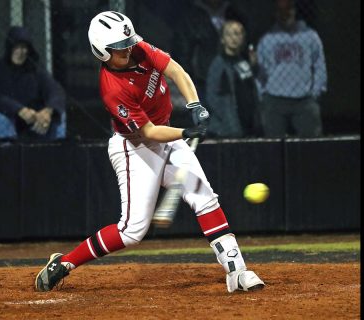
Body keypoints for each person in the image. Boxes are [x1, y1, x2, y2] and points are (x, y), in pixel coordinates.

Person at [34, 11, 264, 294]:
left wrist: (194, 106)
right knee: (132, 232)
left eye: (128, 43)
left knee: (203, 196)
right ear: (102, 53)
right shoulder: (112, 88)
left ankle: (237, 270)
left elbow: (175, 70)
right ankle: (65, 263)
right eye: (120, 49)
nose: (128, 50)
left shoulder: (139, 49)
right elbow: (150, 133)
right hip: (135, 148)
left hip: (166, 135)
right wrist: (185, 133)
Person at [255, 0, 327, 137]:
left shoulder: (310, 36)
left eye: (288, 10)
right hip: (274, 98)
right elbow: (260, 71)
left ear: (294, 11)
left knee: (311, 144)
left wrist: (315, 93)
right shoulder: (267, 39)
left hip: (304, 98)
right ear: (276, 14)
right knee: (274, 145)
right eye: (281, 11)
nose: (285, 14)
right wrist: (263, 96)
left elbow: (319, 66)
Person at [0, 26, 66, 142]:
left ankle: (57, 155)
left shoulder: (36, 70)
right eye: (16, 47)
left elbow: (55, 91)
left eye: (23, 48)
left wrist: (48, 111)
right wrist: (19, 110)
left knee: (59, 115)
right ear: (9, 49)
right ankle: (7, 157)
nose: (20, 52)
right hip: (10, 119)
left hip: (35, 123)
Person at [171, 0, 244, 105]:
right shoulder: (191, 17)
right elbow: (182, 51)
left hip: (232, 80)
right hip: (203, 82)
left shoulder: (233, 13)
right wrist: (190, 79)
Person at [206, 19, 261, 138]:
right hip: (227, 128)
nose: (233, 38)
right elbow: (212, 96)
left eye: (237, 33)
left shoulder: (242, 62)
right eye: (229, 34)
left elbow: (250, 89)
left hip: (246, 124)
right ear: (222, 39)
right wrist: (228, 119)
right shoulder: (218, 64)